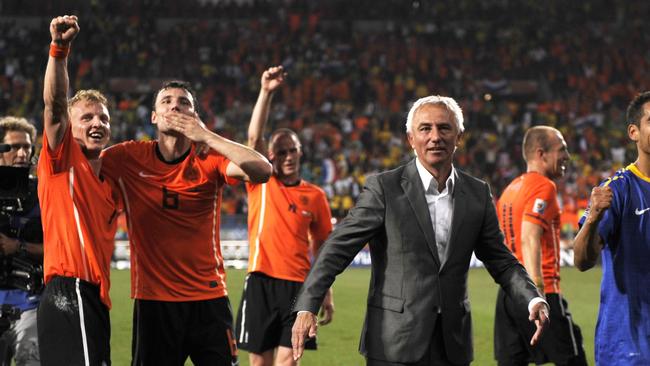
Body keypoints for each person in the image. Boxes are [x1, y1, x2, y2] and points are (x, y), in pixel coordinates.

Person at [291, 95, 549, 366]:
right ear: (410, 139)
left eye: (444, 128)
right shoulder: (384, 189)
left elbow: (502, 261)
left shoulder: (477, 194)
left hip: (452, 344)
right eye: (425, 128)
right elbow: (336, 249)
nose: (435, 137)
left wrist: (532, 298)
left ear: (458, 136)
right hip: (394, 342)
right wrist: (308, 304)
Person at [100, 77, 272, 364]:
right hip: (154, 301)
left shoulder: (209, 158)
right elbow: (83, 167)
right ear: (154, 117)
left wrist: (207, 136)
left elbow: (263, 171)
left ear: (195, 117)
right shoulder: (127, 157)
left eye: (184, 103)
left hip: (208, 298)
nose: (175, 106)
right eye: (166, 101)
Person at [235, 66, 334, 366]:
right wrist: (265, 92)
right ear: (272, 157)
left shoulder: (315, 196)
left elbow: (324, 249)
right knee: (260, 364)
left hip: (300, 288)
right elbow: (254, 139)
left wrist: (325, 293)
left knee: (288, 362)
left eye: (293, 150)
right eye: (281, 151)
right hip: (261, 282)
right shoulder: (261, 183)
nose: (288, 156)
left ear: (301, 153)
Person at [38, 15, 121, 366]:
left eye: (102, 118)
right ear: (71, 127)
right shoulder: (62, 160)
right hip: (69, 291)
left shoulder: (111, 180)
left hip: (92, 299)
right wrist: (59, 50)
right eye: (86, 118)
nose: (97, 123)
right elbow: (55, 106)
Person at [494, 126, 587, 366]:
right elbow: (530, 236)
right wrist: (536, 292)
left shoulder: (510, 190)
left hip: (507, 294)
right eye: (562, 149)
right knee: (573, 360)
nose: (567, 155)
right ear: (541, 154)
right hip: (539, 291)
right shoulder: (543, 186)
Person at [573, 91, 650, 365]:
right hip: (629, 344)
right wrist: (593, 217)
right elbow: (582, 260)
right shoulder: (617, 189)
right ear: (634, 132)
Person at [0, 116, 43, 366]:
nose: (22, 153)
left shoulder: (44, 192)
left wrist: (19, 246)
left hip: (31, 305)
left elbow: (61, 249)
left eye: (26, 147)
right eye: (14, 146)